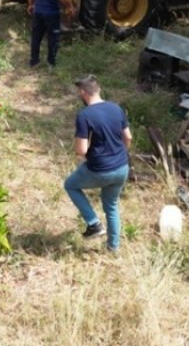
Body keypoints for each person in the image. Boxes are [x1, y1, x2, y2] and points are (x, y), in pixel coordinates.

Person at [63, 74, 132, 251]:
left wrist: (87, 156)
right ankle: (113, 248)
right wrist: (120, 155)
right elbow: (128, 137)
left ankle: (93, 223)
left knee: (70, 185)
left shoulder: (84, 115)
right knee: (111, 205)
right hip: (122, 167)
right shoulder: (116, 108)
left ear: (83, 93)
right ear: (98, 90)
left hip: (100, 169)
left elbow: (81, 150)